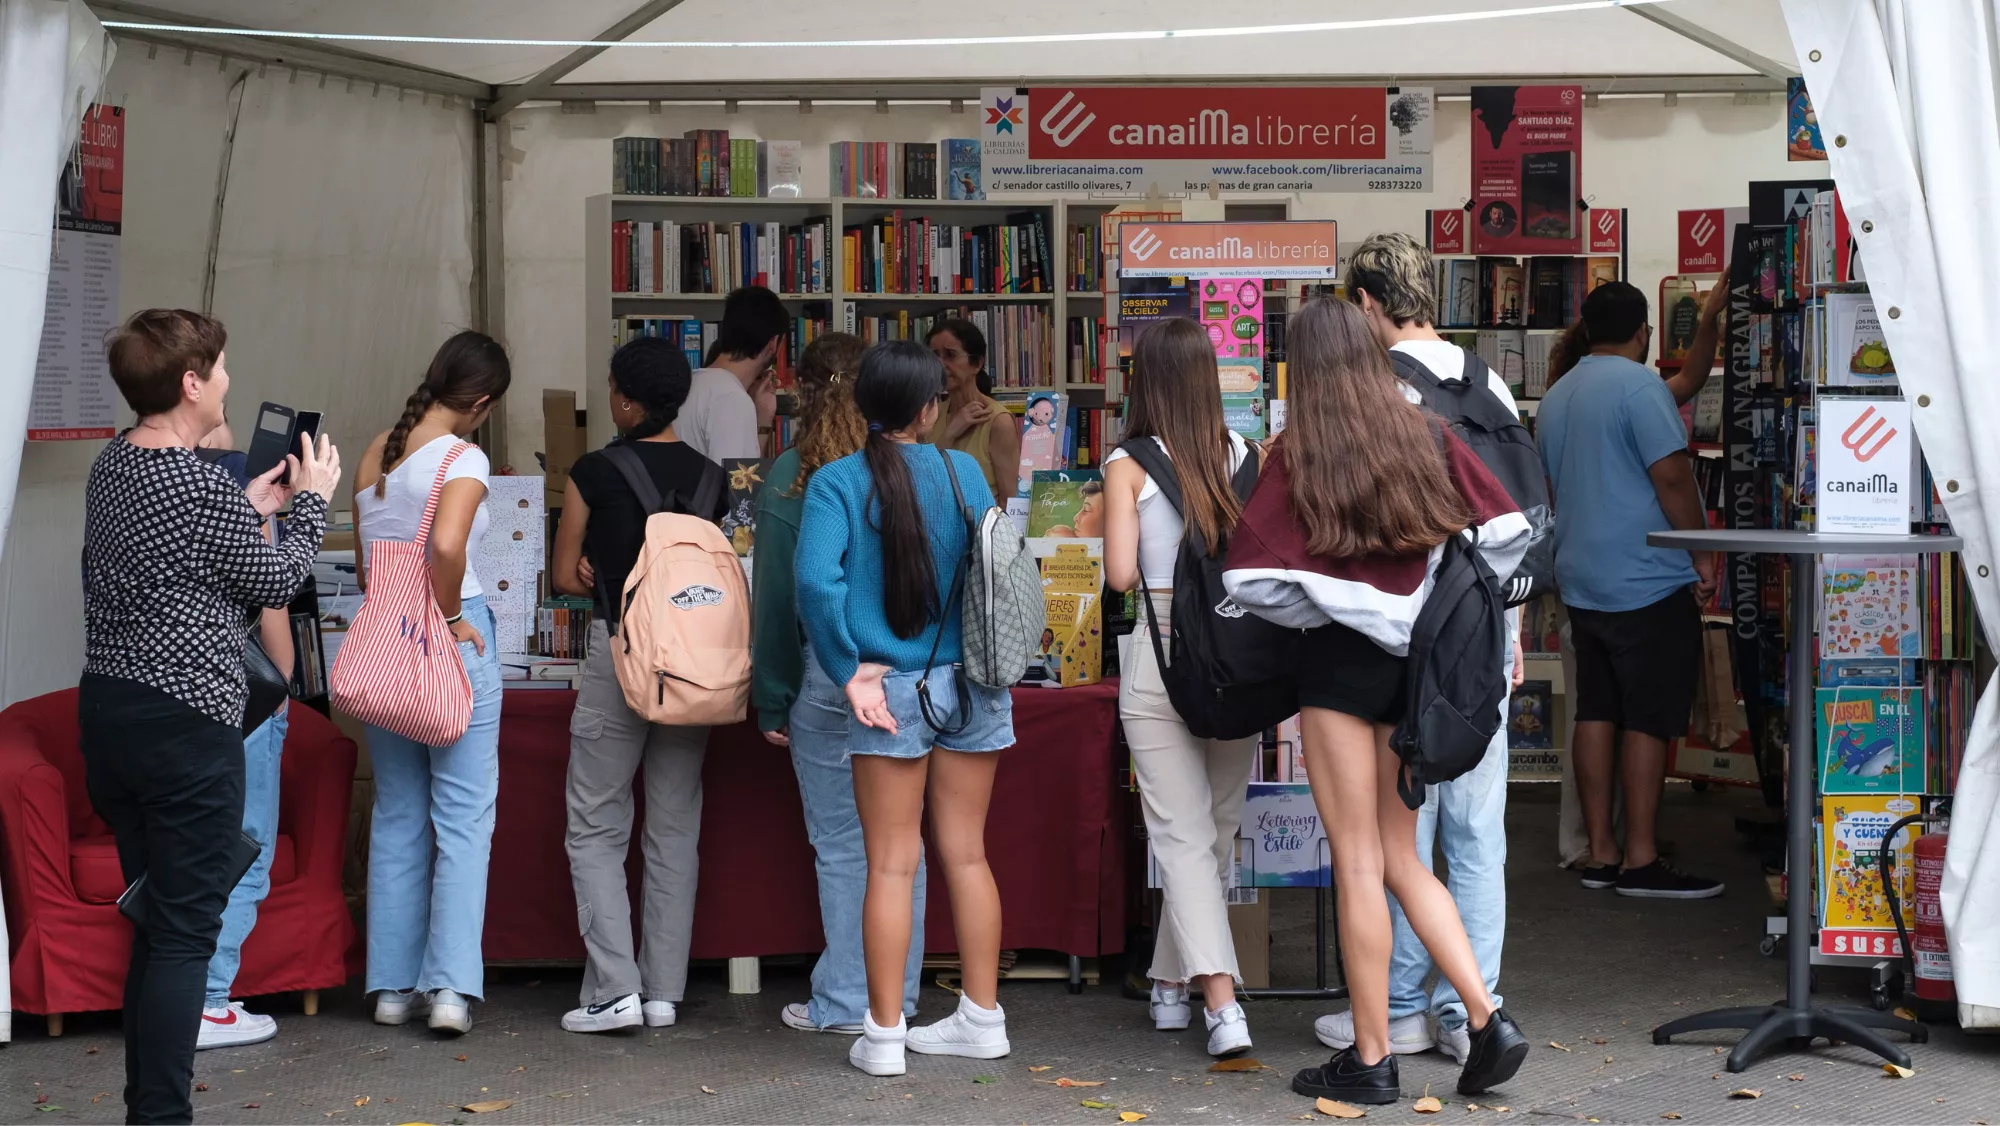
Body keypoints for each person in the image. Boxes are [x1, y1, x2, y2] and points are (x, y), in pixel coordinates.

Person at [1222, 299, 1531, 1106]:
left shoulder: (1298, 453)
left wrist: (1324, 603)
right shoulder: (1426, 433)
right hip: (1416, 672)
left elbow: (1244, 578)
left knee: (1357, 862)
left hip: (1335, 674)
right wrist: (1429, 600)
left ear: (1304, 370)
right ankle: (1487, 1016)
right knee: (1404, 858)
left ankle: (1371, 1057)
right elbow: (1506, 533)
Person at [82, 309, 337, 1123]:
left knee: (158, 926)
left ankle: (148, 1110)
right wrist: (311, 503)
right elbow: (277, 578)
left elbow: (191, 556)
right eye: (220, 368)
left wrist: (251, 502)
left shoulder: (114, 464)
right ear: (191, 384)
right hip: (187, 725)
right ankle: (160, 1116)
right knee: (186, 935)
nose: (229, 379)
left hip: (111, 715)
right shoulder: (197, 486)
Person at [1329, 231, 1525, 1065]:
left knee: (1400, 830)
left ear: (1369, 304)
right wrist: (1508, 633)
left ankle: (1403, 1005)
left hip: (1405, 640)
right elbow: (1513, 525)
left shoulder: (1376, 394)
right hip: (1482, 635)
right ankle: (1469, 1007)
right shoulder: (1494, 386)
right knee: (1478, 828)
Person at [795, 340, 1016, 1077]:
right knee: (969, 855)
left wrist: (847, 670)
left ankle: (884, 1035)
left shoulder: (836, 481)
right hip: (974, 684)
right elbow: (997, 566)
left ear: (863, 406)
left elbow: (817, 587)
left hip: (887, 688)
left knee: (891, 865)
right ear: (929, 409)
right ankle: (982, 1018)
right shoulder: (965, 472)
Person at [749, 332, 929, 1036]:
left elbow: (778, 602)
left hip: (830, 674)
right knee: (899, 847)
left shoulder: (794, 477)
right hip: (911, 672)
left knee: (842, 845)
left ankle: (849, 999)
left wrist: (771, 692)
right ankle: (899, 998)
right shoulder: (917, 469)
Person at [550, 337, 731, 1033]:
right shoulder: (716, 479)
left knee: (596, 821)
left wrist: (599, 569)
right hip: (694, 665)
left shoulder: (594, 470)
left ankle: (613, 989)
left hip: (621, 656)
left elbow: (566, 577)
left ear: (625, 401)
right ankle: (662, 991)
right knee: (675, 822)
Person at [1101, 318, 1259, 1057]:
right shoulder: (1248, 457)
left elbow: (1121, 579)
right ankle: (1170, 985)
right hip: (1237, 658)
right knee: (1214, 831)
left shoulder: (1128, 464)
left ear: (1146, 382)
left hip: (1158, 653)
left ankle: (1217, 1003)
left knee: (1182, 833)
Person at [1535, 282, 1723, 899]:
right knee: (1646, 718)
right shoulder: (1639, 388)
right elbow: (1671, 479)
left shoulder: (1560, 394)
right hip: (1645, 577)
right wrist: (1702, 552)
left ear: (1587, 331)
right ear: (1643, 332)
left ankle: (1602, 853)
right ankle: (1641, 859)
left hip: (1581, 579)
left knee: (1595, 712)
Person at [352, 331, 512, 1036]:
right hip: (448, 632)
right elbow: (445, 546)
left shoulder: (379, 449)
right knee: (465, 817)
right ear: (481, 403)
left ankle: (390, 988)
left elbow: (365, 562)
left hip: (381, 638)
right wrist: (451, 616)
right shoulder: (464, 457)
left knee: (396, 813)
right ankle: (449, 990)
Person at [190, 419, 298, 1052]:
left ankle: (177, 992)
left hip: (174, 696)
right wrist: (281, 685)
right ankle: (210, 999)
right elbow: (274, 603)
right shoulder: (242, 487)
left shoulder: (142, 486)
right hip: (245, 696)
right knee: (245, 848)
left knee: (188, 847)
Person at [678, 285, 790, 462]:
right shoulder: (731, 399)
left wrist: (762, 419)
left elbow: (741, 476)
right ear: (773, 343)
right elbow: (737, 487)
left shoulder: (690, 381)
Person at [927, 318, 1020, 499]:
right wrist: (950, 433)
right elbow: (924, 479)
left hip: (981, 523)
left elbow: (1010, 499)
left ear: (976, 363)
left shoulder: (998, 421)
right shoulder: (931, 413)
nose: (940, 364)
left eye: (950, 355)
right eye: (935, 355)